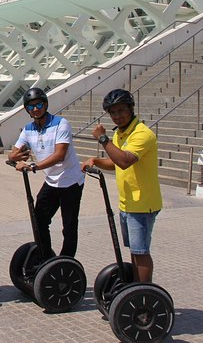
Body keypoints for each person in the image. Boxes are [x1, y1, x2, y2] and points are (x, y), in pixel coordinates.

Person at [81, 88, 162, 283]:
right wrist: (97, 161)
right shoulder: (121, 134)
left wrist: (103, 139)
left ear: (131, 108)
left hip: (142, 204)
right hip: (127, 203)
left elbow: (125, 160)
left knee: (141, 252)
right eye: (113, 112)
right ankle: (136, 288)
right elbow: (117, 162)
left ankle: (144, 294)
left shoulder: (142, 134)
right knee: (135, 251)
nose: (117, 116)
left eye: (122, 110)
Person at [8, 87, 85, 258]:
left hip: (71, 181)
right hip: (52, 181)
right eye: (31, 107)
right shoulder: (28, 129)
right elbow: (12, 153)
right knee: (39, 220)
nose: (35, 109)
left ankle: (66, 262)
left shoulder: (61, 123)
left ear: (45, 104)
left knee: (69, 225)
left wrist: (32, 166)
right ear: (26, 110)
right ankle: (46, 259)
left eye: (39, 104)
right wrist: (15, 156)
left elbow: (60, 155)